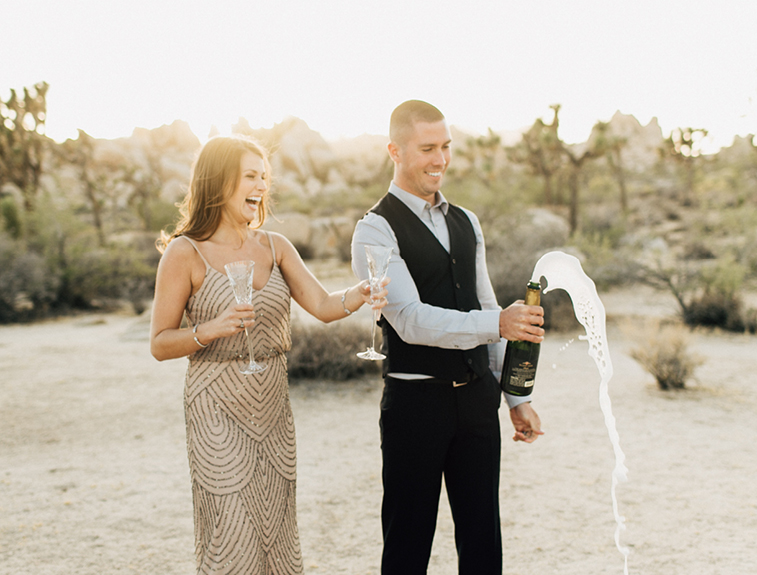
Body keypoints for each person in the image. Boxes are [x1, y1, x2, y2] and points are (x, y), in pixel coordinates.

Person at [150, 134, 387, 574]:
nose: (261, 186)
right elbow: (160, 343)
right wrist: (208, 330)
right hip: (215, 409)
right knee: (230, 533)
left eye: (265, 177)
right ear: (220, 183)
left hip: (273, 405)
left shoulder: (276, 247)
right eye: (251, 177)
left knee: (276, 527)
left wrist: (358, 293)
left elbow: (322, 305)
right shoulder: (186, 253)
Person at [351, 100, 545, 575]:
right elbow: (411, 320)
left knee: (483, 544)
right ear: (394, 150)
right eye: (427, 148)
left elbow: (486, 304)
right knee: (407, 548)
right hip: (416, 406)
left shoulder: (468, 222)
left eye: (445, 147)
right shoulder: (374, 231)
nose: (440, 159)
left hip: (478, 401)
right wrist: (497, 324)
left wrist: (515, 398)